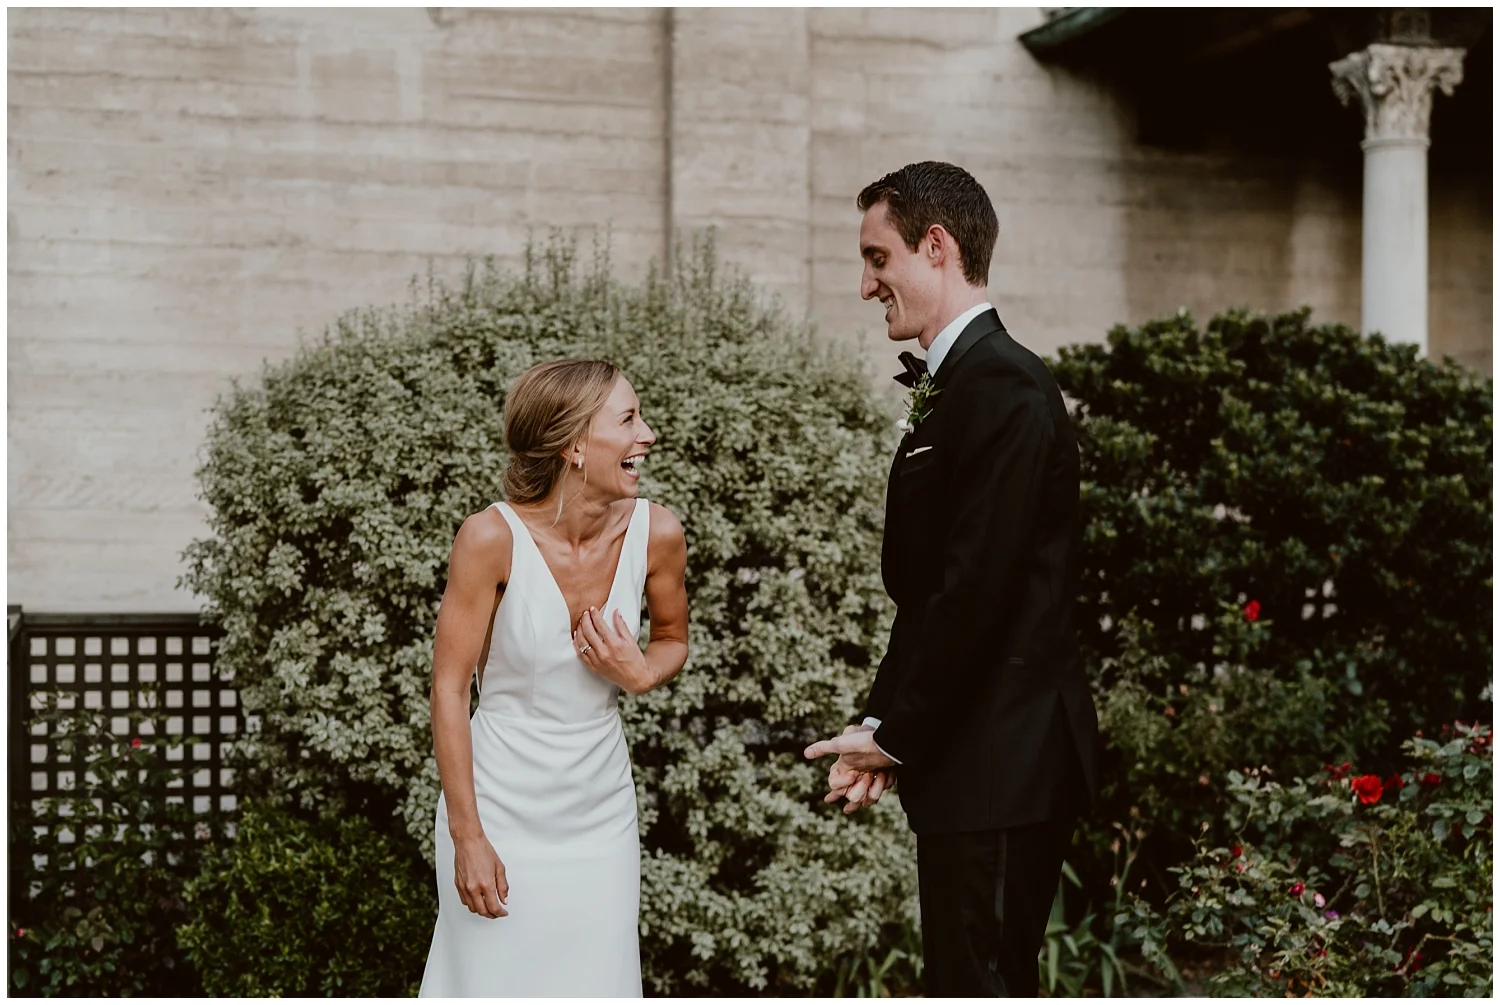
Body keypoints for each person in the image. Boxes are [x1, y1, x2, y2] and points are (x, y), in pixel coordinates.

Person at [804, 161, 1099, 997]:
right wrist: (882, 726)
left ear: (936, 246)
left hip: (1005, 760)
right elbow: (933, 594)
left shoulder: (1003, 385)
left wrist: (900, 736)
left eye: (878, 258)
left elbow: (978, 591)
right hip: (973, 758)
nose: (866, 285)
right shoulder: (962, 383)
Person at [419, 359, 689, 997]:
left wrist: (641, 674)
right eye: (628, 419)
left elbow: (673, 640)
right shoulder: (489, 538)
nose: (647, 434)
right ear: (574, 446)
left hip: (601, 812)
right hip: (496, 805)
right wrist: (467, 836)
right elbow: (449, 690)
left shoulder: (658, 532)